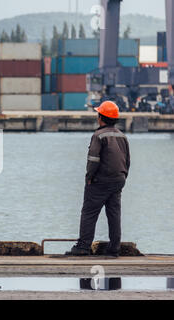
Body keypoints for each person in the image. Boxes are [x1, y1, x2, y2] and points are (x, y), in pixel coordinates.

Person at [66, 101, 131, 257]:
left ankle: (83, 247)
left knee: (89, 212)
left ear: (101, 117)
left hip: (100, 181)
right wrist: (123, 177)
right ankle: (114, 249)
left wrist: (89, 177)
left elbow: (93, 159)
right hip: (118, 179)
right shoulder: (122, 136)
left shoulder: (98, 135)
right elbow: (127, 160)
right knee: (114, 214)